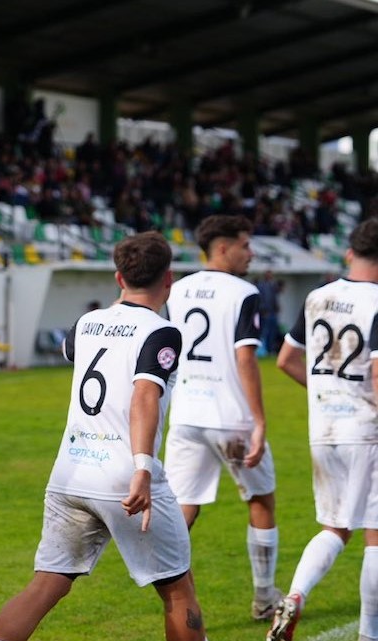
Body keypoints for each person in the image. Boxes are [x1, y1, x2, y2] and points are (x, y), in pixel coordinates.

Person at [0, 231, 205, 641]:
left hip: (73, 474)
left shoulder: (87, 323)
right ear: (169, 279)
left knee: (45, 584)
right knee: (178, 589)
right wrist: (143, 466)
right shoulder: (163, 332)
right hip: (125, 477)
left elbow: (76, 351)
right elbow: (145, 395)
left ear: (119, 278)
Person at [164, 215, 282, 621]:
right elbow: (245, 356)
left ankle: (169, 589)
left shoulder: (177, 290)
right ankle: (265, 596)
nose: (251, 253)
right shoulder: (243, 291)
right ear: (222, 248)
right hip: (231, 417)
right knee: (261, 498)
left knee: (184, 508)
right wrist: (260, 421)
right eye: (245, 245)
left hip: (186, 415)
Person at [269, 219, 378, 641]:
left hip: (325, 427)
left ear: (350, 253)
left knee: (335, 527)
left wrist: (326, 394)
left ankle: (294, 596)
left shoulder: (318, 296)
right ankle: (370, 633)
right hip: (367, 430)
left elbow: (284, 360)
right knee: (375, 534)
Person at [255, 270, 282, 357]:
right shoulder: (261, 286)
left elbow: (275, 298)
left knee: (273, 332)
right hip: (265, 313)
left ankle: (271, 350)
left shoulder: (272, 285)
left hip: (273, 313)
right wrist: (263, 310)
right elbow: (261, 299)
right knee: (265, 332)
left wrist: (277, 307)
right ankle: (265, 351)